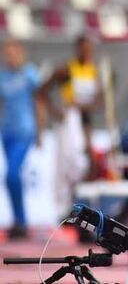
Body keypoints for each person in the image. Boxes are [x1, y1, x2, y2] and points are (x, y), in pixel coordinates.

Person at [36, 35, 102, 219]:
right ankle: (64, 209)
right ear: (77, 49)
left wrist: (85, 106)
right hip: (69, 122)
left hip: (85, 122)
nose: (87, 53)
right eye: (84, 49)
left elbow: (99, 102)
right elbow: (41, 91)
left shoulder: (92, 71)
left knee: (88, 164)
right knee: (67, 165)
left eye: (89, 50)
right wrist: (55, 111)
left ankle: (80, 209)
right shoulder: (66, 69)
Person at [0, 38, 44, 239]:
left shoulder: (30, 74)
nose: (10, 57)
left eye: (12, 53)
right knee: (10, 179)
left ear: (20, 53)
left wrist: (40, 130)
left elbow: (38, 102)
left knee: (12, 174)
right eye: (6, 54)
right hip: (6, 131)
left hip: (24, 130)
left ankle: (22, 221)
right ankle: (18, 221)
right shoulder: (3, 77)